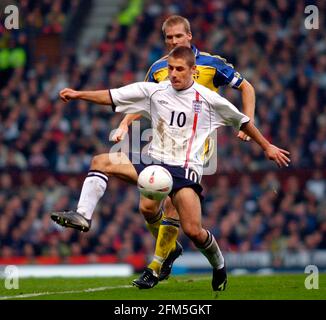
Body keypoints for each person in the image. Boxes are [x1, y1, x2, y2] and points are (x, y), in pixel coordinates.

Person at [51, 46, 290, 291]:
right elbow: (113, 96)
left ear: (192, 70)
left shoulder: (208, 99)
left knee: (194, 231)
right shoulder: (154, 92)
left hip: (185, 170)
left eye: (179, 69)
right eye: (170, 69)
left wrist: (267, 147)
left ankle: (218, 264)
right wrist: (79, 94)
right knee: (101, 162)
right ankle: (83, 215)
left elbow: (242, 121)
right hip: (154, 161)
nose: (173, 74)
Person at [112, 15, 256, 285]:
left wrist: (247, 122)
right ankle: (172, 249)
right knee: (146, 207)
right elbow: (142, 98)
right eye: (169, 37)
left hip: (196, 148)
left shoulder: (212, 64)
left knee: (172, 205)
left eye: (179, 36)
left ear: (189, 36)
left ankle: (154, 268)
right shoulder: (159, 68)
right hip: (164, 143)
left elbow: (246, 86)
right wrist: (123, 124)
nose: (174, 41)